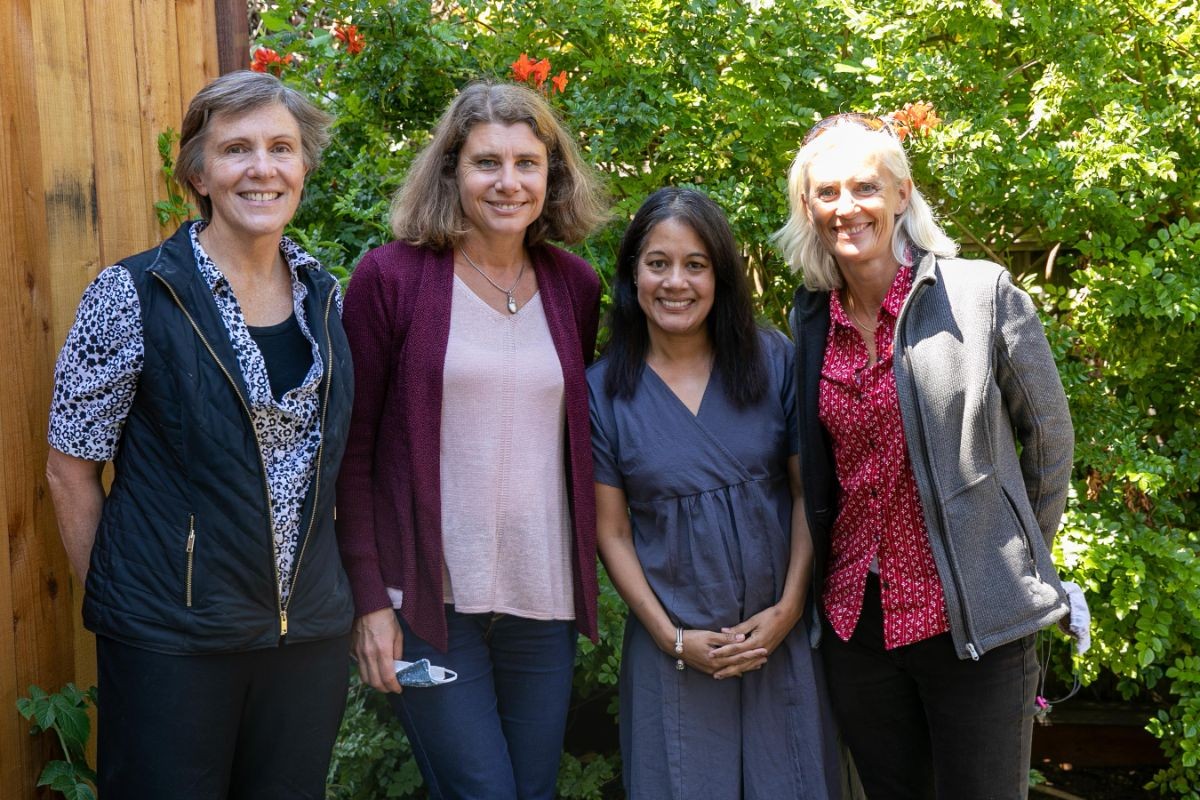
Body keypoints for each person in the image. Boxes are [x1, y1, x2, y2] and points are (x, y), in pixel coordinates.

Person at [44, 70, 354, 799]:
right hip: (169, 643)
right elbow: (70, 468)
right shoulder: (132, 293)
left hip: (306, 637)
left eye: (281, 147)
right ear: (199, 172)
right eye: (236, 149)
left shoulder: (325, 295)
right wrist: (132, 607)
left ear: (304, 165)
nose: (262, 168)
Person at [775, 113, 1075, 799]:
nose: (846, 207)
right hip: (859, 627)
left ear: (902, 194)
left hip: (973, 624)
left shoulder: (981, 294)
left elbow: (1049, 443)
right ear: (808, 208)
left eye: (865, 187)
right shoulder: (811, 320)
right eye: (826, 193)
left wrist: (1007, 558)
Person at [336, 80, 608, 800]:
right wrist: (371, 603)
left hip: (541, 601)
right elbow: (352, 454)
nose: (509, 182)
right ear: (452, 169)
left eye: (528, 163)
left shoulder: (574, 286)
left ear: (552, 175)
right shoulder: (391, 278)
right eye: (488, 162)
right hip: (429, 603)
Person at [589, 187, 842, 799]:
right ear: (632, 274)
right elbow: (611, 531)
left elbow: (808, 494)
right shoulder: (602, 391)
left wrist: (788, 610)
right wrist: (670, 637)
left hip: (776, 642)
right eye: (658, 263)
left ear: (719, 275)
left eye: (695, 264)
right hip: (674, 654)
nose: (676, 282)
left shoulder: (772, 360)